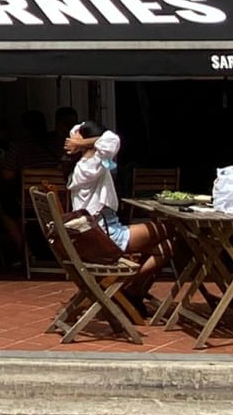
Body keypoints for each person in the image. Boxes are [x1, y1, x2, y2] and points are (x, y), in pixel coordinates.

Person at [64, 120, 170, 309]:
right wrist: (83, 143)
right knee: (171, 232)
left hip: (94, 236)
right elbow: (112, 139)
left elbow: (81, 131)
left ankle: (134, 292)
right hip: (107, 236)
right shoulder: (91, 166)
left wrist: (81, 142)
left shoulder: (81, 167)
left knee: (160, 245)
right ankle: (131, 286)